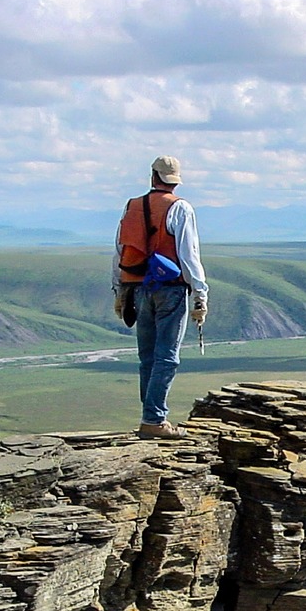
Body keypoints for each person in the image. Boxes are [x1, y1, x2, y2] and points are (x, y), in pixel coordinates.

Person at [112, 155, 208, 440]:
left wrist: (119, 290)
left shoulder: (131, 207)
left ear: (152, 176)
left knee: (148, 357)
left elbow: (120, 250)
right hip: (170, 289)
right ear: (173, 181)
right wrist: (201, 295)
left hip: (137, 287)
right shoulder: (180, 208)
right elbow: (189, 255)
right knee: (167, 357)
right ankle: (154, 420)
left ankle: (149, 417)